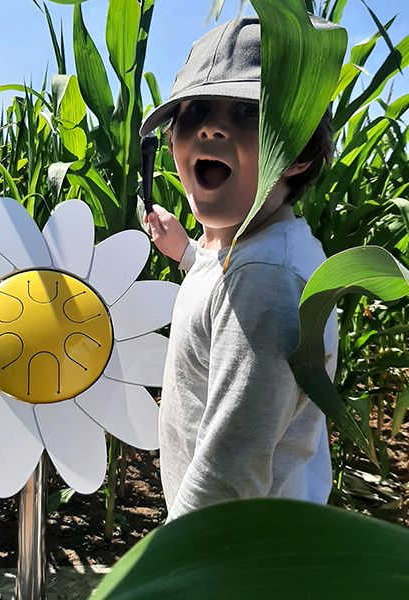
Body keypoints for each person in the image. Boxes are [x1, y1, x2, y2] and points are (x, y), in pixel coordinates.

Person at [139, 16, 340, 522]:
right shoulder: (248, 253)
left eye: (247, 113)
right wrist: (186, 252)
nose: (211, 127)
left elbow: (231, 475)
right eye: (197, 111)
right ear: (171, 143)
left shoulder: (266, 279)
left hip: (231, 556)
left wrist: (171, 568)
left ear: (296, 150)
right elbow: (223, 301)